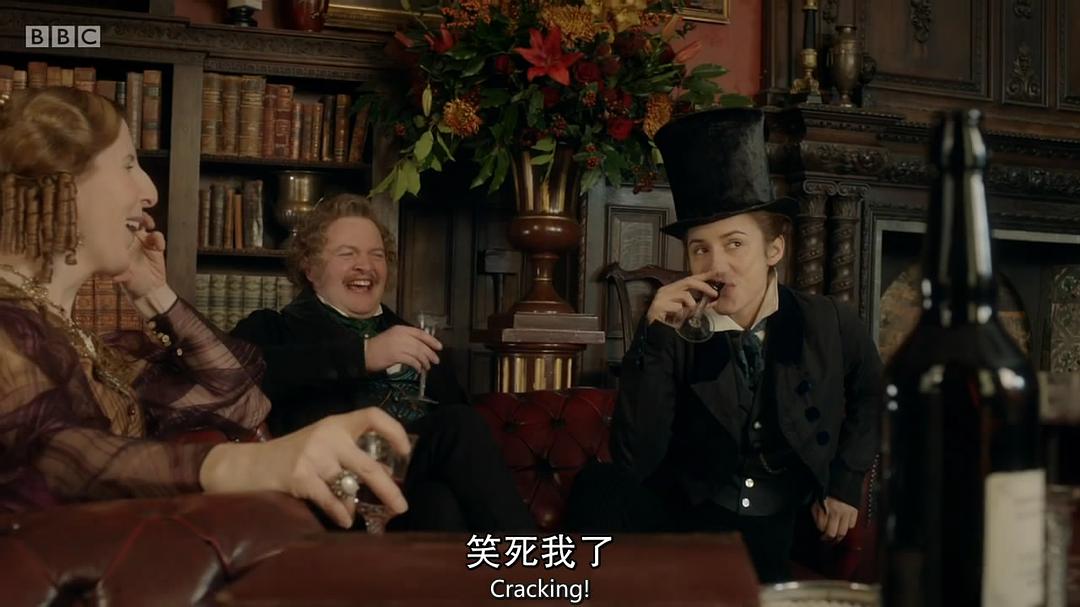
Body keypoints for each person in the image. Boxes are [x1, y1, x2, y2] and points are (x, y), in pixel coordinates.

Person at [0, 86, 409, 530]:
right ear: (67, 181)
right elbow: (53, 454)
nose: (149, 192)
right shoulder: (8, 328)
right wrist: (254, 464)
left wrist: (153, 291)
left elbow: (242, 399)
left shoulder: (83, 341)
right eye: (128, 164)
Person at [566, 108, 883, 583]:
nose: (716, 265)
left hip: (778, 521)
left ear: (774, 249)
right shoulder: (675, 328)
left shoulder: (829, 322)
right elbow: (634, 459)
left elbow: (871, 394)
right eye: (701, 249)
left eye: (734, 244)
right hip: (686, 514)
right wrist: (654, 337)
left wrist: (844, 483)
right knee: (600, 484)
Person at [230, 194, 534, 532]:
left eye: (376, 255)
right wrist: (363, 355)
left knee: (439, 502)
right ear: (310, 268)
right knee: (459, 426)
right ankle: (535, 560)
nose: (365, 266)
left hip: (411, 488)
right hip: (335, 484)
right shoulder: (274, 328)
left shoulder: (411, 336)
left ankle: (522, 563)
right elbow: (232, 378)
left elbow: (464, 442)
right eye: (347, 254)